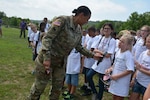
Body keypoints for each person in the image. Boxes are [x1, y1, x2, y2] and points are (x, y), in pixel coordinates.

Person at [26, 5, 101, 100]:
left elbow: (79, 47)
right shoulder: (62, 21)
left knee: (57, 89)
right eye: (87, 19)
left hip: (60, 63)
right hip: (47, 60)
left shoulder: (78, 30)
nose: (87, 22)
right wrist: (46, 58)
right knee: (39, 87)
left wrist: (93, 55)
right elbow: (47, 38)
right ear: (81, 15)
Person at [86, 23, 116, 100]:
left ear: (111, 30)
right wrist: (102, 53)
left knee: (101, 82)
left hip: (105, 64)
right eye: (105, 28)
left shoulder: (112, 41)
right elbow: (94, 49)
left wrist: (99, 52)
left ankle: (99, 97)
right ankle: (94, 92)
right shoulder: (100, 38)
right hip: (97, 62)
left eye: (108, 29)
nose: (106, 30)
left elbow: (109, 54)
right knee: (88, 76)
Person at [105, 32, 135, 100]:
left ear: (128, 45)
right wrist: (110, 69)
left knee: (119, 97)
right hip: (115, 79)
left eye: (122, 42)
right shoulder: (118, 51)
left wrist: (117, 76)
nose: (119, 42)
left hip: (122, 81)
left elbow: (130, 70)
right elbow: (115, 64)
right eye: (120, 40)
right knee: (114, 96)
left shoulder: (128, 55)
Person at [129, 34, 150, 100]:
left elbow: (139, 68)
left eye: (149, 42)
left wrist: (140, 69)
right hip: (138, 81)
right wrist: (133, 78)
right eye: (146, 41)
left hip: (147, 85)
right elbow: (138, 67)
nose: (147, 43)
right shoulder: (143, 53)